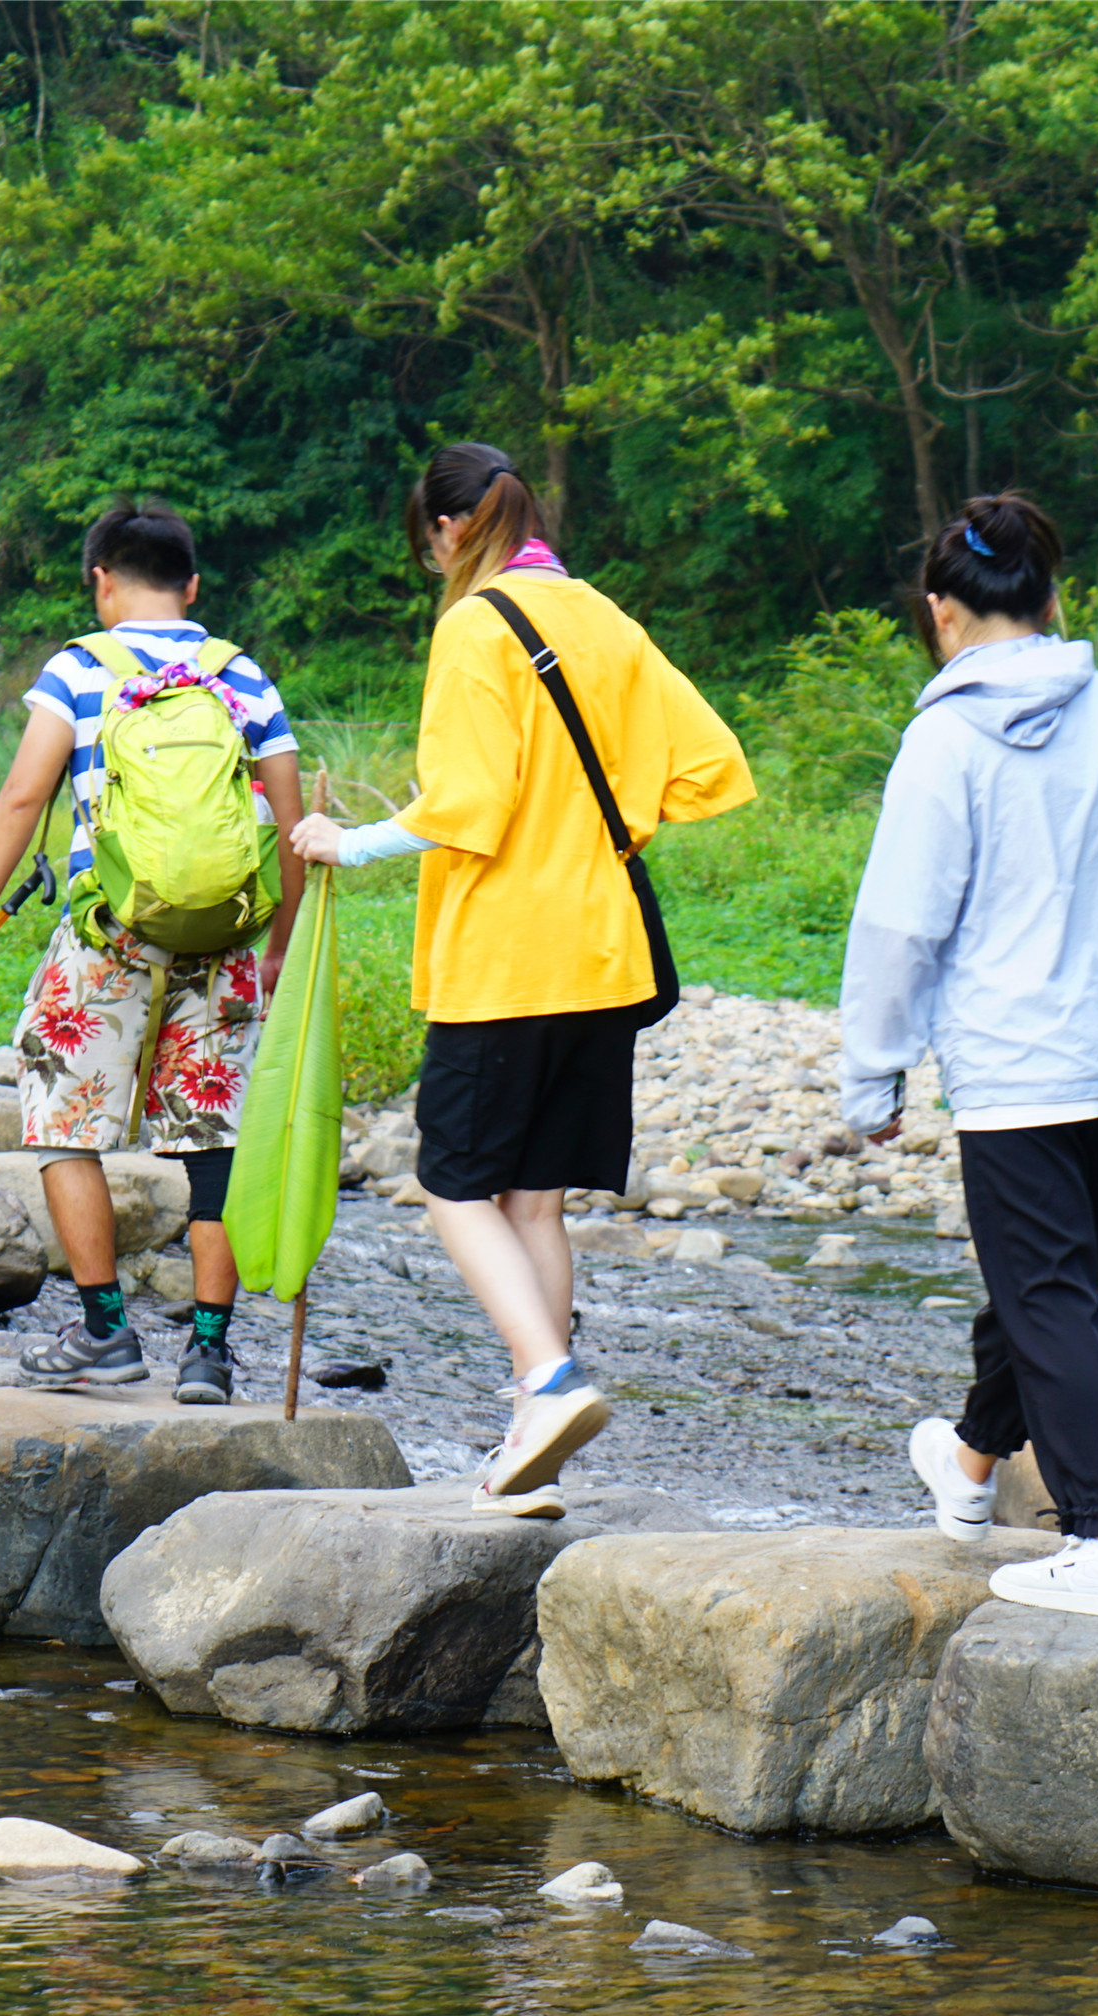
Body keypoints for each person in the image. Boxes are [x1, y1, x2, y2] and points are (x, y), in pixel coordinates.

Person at [288, 443, 753, 1507]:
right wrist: (598, 828)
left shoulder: (472, 625)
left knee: (453, 1185)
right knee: (533, 1202)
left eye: (428, 546)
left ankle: (547, 1382)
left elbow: (469, 805)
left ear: (449, 531)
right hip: (601, 953)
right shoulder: (599, 612)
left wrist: (343, 843)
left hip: (506, 956)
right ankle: (535, 1446)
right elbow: (709, 763)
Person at [838, 494, 1098, 1625]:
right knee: (1048, 1282)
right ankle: (971, 1464)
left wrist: (873, 1075)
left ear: (940, 611)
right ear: (1054, 600)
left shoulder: (945, 739)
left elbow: (899, 924)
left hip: (1017, 1067)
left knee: (1049, 1290)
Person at [0, 498, 305, 1405]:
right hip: (224, 943)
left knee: (63, 1117)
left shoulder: (79, 669)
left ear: (101, 578)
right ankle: (209, 1355)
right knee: (212, 1141)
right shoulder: (243, 676)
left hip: (109, 935)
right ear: (192, 585)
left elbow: (24, 799)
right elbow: (291, 824)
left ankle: (105, 1331)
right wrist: (279, 954)